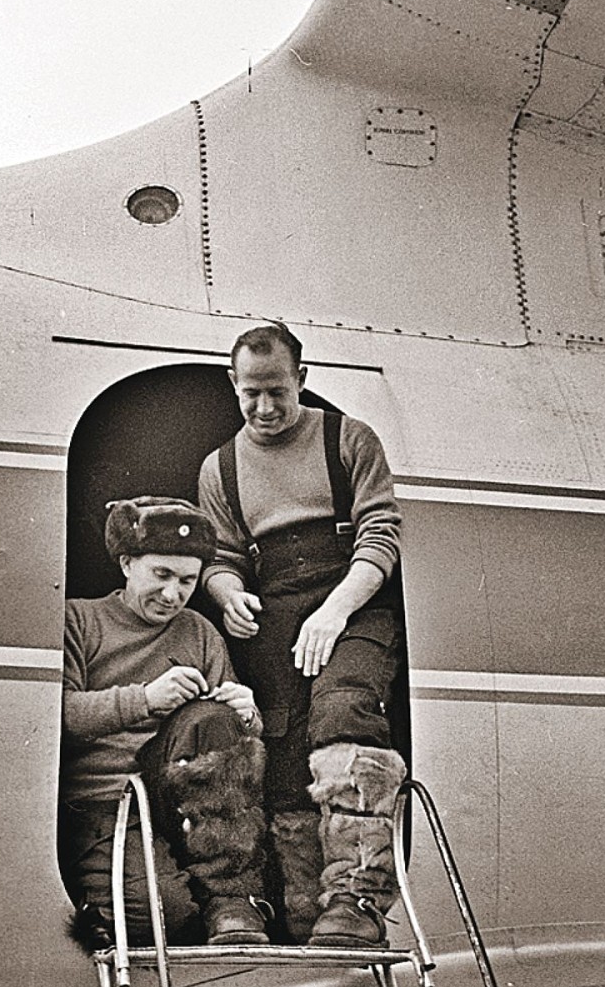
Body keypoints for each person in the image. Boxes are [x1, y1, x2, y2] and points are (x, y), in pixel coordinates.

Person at [198, 323, 406, 949]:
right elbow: (220, 558)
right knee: (282, 752)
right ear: (234, 386)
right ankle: (301, 918)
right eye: (251, 394)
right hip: (276, 609)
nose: (264, 407)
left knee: (343, 713)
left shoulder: (349, 440)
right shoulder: (220, 468)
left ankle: (356, 898)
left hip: (354, 601)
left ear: (302, 380)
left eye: (277, 392)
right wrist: (228, 594)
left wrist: (335, 611)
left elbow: (381, 536)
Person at [59, 495, 272, 951]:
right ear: (126, 563)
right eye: (161, 574)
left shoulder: (198, 631)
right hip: (104, 805)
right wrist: (145, 699)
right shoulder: (79, 620)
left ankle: (232, 899)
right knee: (158, 914)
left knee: (213, 717)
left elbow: (231, 736)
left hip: (178, 805)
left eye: (187, 581)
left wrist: (247, 715)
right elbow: (57, 716)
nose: (173, 594)